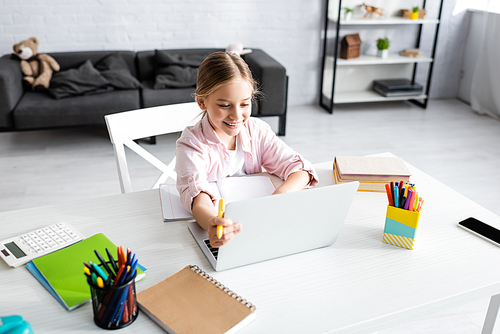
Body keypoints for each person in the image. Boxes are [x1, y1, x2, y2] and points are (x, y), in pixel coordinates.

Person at [175, 51, 318, 248]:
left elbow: (301, 170)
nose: (237, 116)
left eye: (244, 104)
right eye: (225, 105)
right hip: (228, 233)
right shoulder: (192, 143)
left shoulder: (257, 130)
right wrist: (211, 222)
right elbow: (198, 197)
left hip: (262, 228)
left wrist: (279, 197)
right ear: (202, 102)